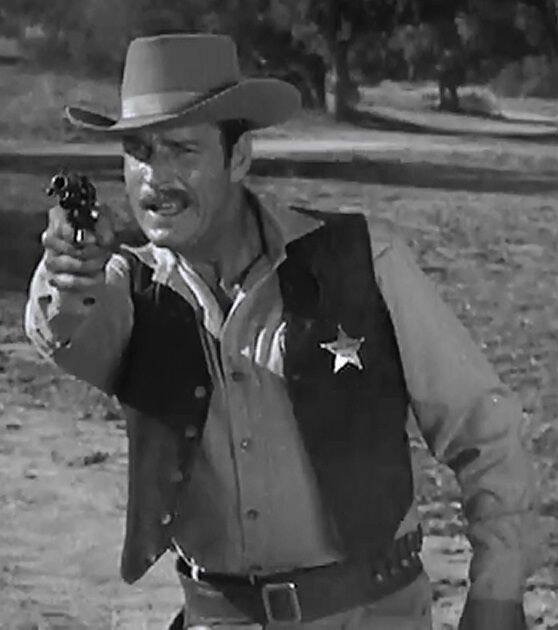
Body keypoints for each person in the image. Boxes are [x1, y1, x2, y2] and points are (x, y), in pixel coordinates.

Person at [24, 34, 539, 630]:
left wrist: (497, 594)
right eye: (138, 152)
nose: (154, 178)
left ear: (239, 157)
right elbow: (65, 332)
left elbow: (485, 429)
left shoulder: (359, 263)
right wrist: (68, 274)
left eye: (182, 150)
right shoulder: (128, 289)